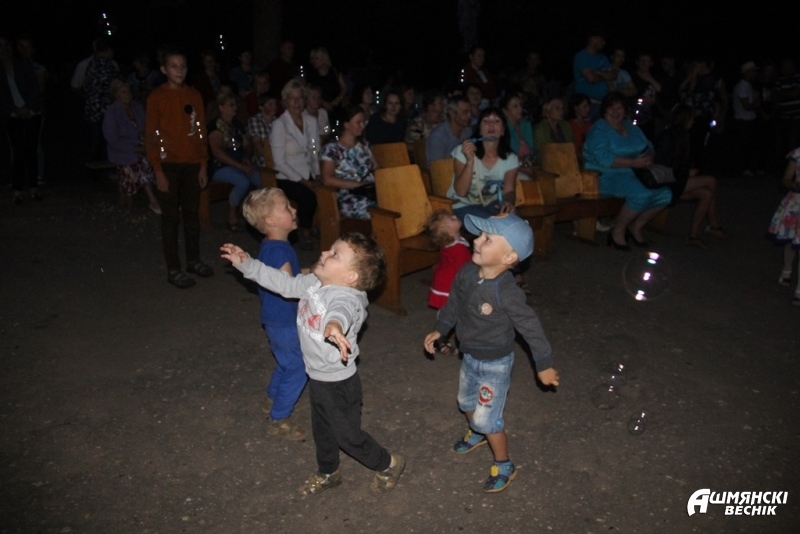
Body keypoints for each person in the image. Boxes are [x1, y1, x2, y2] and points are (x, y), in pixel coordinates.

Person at [220, 232, 406, 496]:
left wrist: (334, 325)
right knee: (322, 431)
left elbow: (341, 312)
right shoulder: (313, 282)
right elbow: (284, 283)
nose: (324, 253)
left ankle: (388, 463)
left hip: (339, 384)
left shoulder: (347, 298)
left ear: (350, 277)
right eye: (330, 249)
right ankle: (329, 472)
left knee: (347, 437)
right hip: (317, 377)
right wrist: (247, 264)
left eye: (335, 254)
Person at [422, 213, 559, 494]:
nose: (476, 241)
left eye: (487, 239)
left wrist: (543, 364)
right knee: (465, 402)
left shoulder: (506, 292)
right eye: (479, 235)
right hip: (469, 356)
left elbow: (530, 327)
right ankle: (477, 431)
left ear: (509, 257)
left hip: (496, 363)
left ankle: (504, 464)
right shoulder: (467, 272)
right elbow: (454, 302)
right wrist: (441, 329)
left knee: (489, 419)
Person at [240, 188, 308, 440]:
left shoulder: (273, 246)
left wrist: (311, 272)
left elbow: (286, 276)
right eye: (286, 207)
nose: (294, 209)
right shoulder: (279, 250)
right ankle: (279, 418)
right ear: (270, 221)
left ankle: (271, 399)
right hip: (284, 320)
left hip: (276, 319)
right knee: (299, 366)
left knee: (287, 361)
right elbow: (288, 286)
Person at [145, 48, 213, 289]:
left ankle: (193, 260)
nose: (179, 70)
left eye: (182, 66)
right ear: (164, 69)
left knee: (192, 214)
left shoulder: (193, 95)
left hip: (192, 163)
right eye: (173, 66)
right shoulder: (157, 97)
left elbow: (201, 130)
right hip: (168, 164)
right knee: (171, 217)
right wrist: (158, 170)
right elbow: (151, 136)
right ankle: (173, 268)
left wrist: (203, 164)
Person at [583, 91, 672, 250]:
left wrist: (649, 157)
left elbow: (648, 146)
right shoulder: (598, 130)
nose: (615, 112)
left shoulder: (631, 127)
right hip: (605, 176)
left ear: (625, 110)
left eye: (620, 108)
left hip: (635, 173)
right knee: (641, 194)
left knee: (666, 194)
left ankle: (636, 226)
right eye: (611, 107)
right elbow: (604, 158)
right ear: (604, 110)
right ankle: (618, 230)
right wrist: (633, 162)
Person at [654, 104, 728, 249]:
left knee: (706, 194)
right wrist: (686, 173)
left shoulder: (681, 135)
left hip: (675, 178)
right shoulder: (670, 136)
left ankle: (693, 236)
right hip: (666, 180)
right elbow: (664, 164)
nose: (693, 121)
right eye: (691, 118)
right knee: (711, 181)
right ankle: (714, 226)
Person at [269, 79, 320, 248]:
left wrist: (317, 174)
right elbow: (279, 162)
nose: (297, 102)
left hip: (309, 171)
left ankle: (320, 225)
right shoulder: (280, 125)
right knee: (307, 195)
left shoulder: (311, 121)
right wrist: (304, 181)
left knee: (327, 189)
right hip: (287, 176)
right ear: (285, 102)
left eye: (300, 98)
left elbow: (314, 151)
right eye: (292, 98)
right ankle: (304, 231)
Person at [449, 107, 519, 220]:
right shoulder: (463, 151)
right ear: (480, 130)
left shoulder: (511, 159)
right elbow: (461, 192)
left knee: (513, 221)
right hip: (463, 205)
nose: (491, 125)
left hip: (492, 204)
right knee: (492, 223)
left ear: (503, 130)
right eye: (486, 121)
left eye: (496, 121)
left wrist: (508, 203)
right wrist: (470, 161)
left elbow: (509, 191)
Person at [102, 79, 160, 214]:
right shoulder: (112, 112)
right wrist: (135, 147)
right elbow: (112, 139)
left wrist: (147, 140)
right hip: (122, 149)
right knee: (140, 161)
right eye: (123, 92)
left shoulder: (137, 107)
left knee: (160, 155)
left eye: (128, 91)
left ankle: (167, 192)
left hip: (142, 143)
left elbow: (147, 127)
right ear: (116, 95)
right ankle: (152, 199)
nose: (127, 94)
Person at [207, 92, 261, 232]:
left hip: (239, 163)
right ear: (221, 107)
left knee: (260, 179)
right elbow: (217, 152)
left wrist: (246, 157)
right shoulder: (215, 126)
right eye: (231, 105)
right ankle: (232, 215)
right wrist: (240, 166)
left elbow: (247, 145)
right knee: (242, 181)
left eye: (235, 104)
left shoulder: (236, 124)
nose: (235, 108)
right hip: (220, 166)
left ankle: (255, 212)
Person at [1, 34, 43, 204]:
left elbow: (34, 87)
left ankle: (34, 187)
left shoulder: (23, 63)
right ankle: (17, 190)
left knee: (32, 150)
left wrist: (27, 107)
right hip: (12, 115)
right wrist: (15, 109)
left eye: (6, 45)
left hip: (31, 112)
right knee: (18, 151)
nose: (4, 49)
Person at [320, 106, 378, 219]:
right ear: (346, 124)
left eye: (363, 122)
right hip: (348, 195)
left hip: (370, 190)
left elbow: (376, 168)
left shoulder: (364, 145)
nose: (362, 126)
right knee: (377, 210)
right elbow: (327, 179)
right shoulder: (332, 149)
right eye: (358, 122)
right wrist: (357, 185)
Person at [679, 56, 728, 175]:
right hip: (689, 118)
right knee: (689, 145)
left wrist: (721, 116)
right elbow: (682, 93)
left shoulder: (715, 80)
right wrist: (691, 77)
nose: (695, 67)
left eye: (697, 64)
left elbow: (724, 99)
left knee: (704, 145)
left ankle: (703, 170)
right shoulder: (692, 78)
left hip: (705, 118)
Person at [767, 146, 800, 306]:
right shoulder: (798, 153)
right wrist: (795, 185)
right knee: (790, 240)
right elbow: (786, 179)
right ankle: (787, 270)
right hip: (796, 204)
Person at [83, 37, 120, 162]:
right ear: (108, 50)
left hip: (92, 110)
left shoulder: (92, 64)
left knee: (95, 142)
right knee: (102, 143)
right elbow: (114, 87)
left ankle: (95, 168)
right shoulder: (106, 66)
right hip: (102, 111)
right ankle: (101, 168)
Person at [426, 209, 471, 311]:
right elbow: (463, 269)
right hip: (450, 281)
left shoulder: (448, 243)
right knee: (452, 305)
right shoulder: (458, 249)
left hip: (444, 276)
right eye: (451, 219)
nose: (454, 216)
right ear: (450, 232)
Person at [573, 28, 617, 119]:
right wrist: (605, 75)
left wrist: (598, 72)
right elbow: (591, 78)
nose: (604, 43)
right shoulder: (581, 56)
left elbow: (613, 75)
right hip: (587, 105)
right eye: (601, 40)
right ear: (593, 39)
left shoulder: (603, 57)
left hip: (603, 104)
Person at [733, 61, 763, 175]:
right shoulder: (742, 86)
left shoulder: (748, 85)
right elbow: (746, 106)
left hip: (749, 120)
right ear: (747, 72)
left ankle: (750, 168)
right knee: (743, 146)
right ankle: (742, 169)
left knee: (751, 145)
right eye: (753, 71)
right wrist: (756, 101)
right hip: (743, 121)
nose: (755, 73)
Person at [426, 95, 472, 166]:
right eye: (465, 112)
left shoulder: (467, 131)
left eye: (470, 112)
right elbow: (437, 167)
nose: (469, 116)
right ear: (452, 114)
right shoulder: (438, 137)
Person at [511, 50, 548, 123]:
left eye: (535, 59)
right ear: (527, 60)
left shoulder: (541, 77)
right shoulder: (519, 75)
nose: (532, 62)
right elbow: (512, 91)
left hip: (537, 110)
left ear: (538, 61)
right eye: (531, 59)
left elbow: (545, 94)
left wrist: (545, 107)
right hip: (522, 108)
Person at [307, 47, 346, 113]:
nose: (313, 61)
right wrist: (323, 103)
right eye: (312, 59)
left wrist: (338, 99)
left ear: (324, 58)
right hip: (319, 109)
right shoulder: (311, 76)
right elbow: (309, 92)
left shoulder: (335, 71)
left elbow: (344, 88)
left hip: (337, 108)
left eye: (316, 58)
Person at [501, 94, 536, 168]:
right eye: (515, 106)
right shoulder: (503, 128)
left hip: (529, 165)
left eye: (521, 105)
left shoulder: (526, 125)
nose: (520, 109)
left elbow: (533, 150)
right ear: (505, 111)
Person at [248, 93, 278, 167]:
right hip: (263, 163)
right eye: (270, 104)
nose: (274, 106)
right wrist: (270, 159)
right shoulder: (255, 120)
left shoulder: (279, 121)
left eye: (275, 104)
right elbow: (257, 144)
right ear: (261, 107)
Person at [568, 93, 592, 166]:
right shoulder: (569, 125)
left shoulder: (588, 124)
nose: (588, 109)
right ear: (576, 108)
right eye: (584, 106)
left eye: (588, 106)